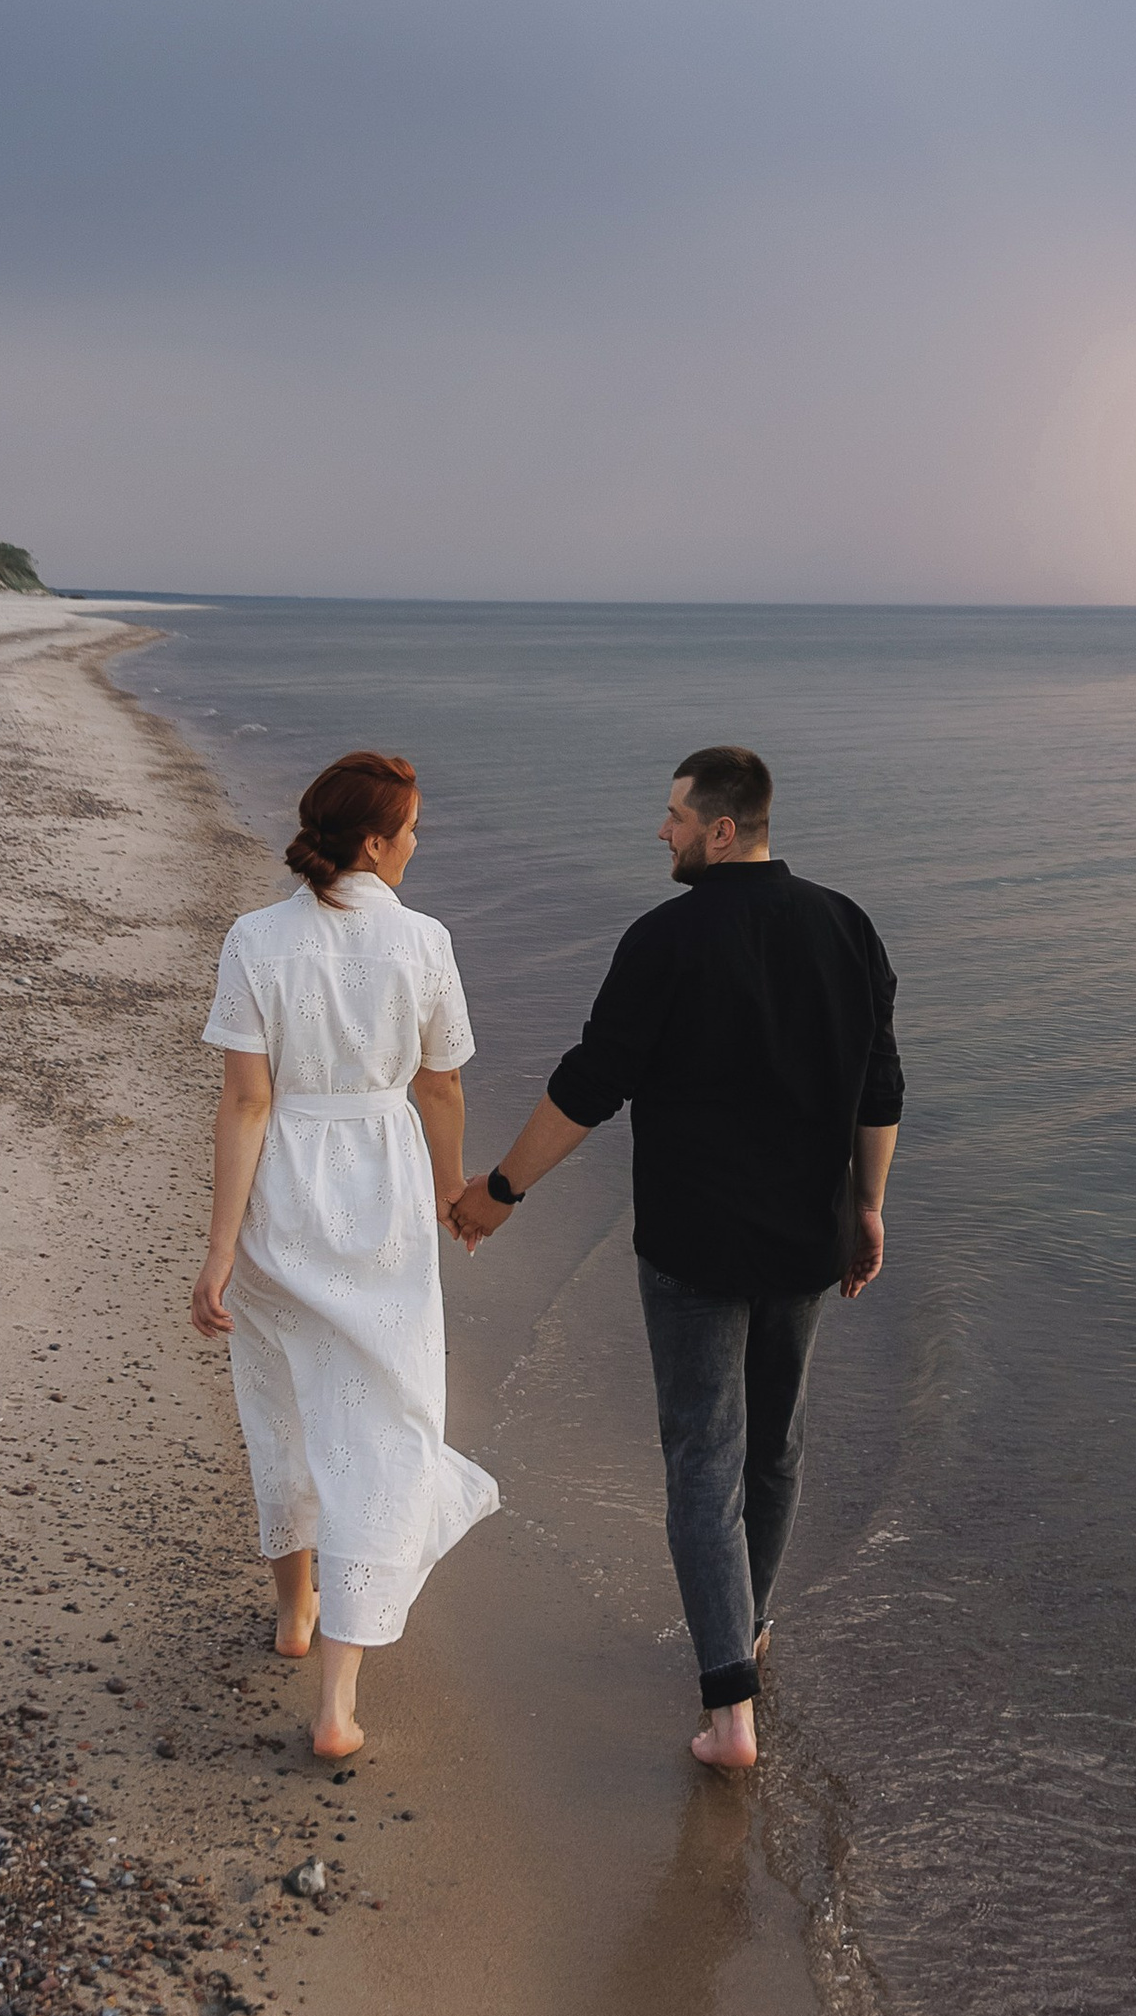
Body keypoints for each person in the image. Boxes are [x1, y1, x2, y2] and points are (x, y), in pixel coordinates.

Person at [449, 743, 901, 1774]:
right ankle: (745, 1635)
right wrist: (867, 1206)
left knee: (705, 1456)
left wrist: (500, 1192)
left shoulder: (665, 936)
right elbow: (880, 1089)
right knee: (774, 1446)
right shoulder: (847, 927)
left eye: (674, 816)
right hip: (803, 1237)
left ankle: (728, 1709)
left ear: (721, 829)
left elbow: (591, 1083)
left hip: (693, 1243)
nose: (662, 831)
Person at [191, 749, 497, 1761]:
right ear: (373, 841)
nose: (419, 841)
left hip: (283, 1192)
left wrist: (220, 1248)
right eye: (410, 827)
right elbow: (440, 1087)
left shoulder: (255, 938)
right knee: (385, 1424)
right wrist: (455, 1192)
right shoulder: (423, 941)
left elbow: (246, 1100)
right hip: (383, 1195)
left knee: (282, 1397)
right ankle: (336, 1702)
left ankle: (293, 1614)